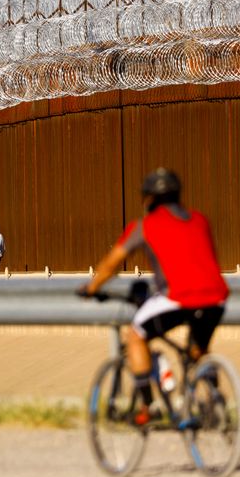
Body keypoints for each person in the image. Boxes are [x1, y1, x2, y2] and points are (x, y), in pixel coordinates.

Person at [79, 168, 229, 426]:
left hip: (178, 297)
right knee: (197, 351)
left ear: (148, 199)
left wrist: (92, 287)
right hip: (216, 298)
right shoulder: (200, 220)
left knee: (136, 335)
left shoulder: (144, 226)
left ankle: (148, 407)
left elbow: (111, 263)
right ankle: (213, 403)